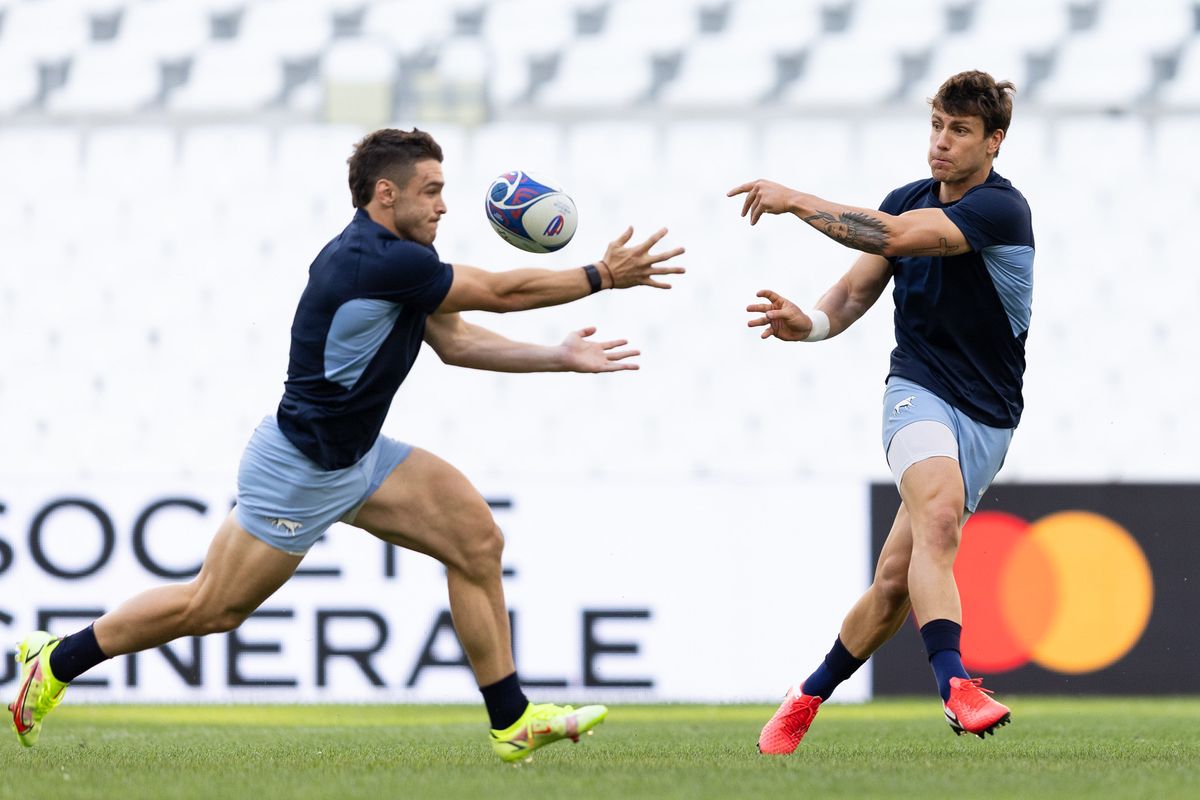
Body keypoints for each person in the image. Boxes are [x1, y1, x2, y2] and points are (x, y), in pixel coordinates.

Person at [9, 128, 685, 763]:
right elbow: (501, 293)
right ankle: (58, 661)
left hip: (360, 457)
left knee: (477, 541)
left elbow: (454, 343)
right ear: (385, 194)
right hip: (300, 470)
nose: (444, 205)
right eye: (431, 190)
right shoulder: (375, 261)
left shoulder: (404, 262)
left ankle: (512, 721)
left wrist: (556, 358)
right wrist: (600, 274)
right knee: (212, 608)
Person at [729, 70, 1032, 753]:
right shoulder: (906, 200)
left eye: (960, 131)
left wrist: (795, 200)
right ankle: (957, 686)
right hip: (917, 389)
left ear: (994, 142)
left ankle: (805, 696)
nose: (942, 142)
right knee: (940, 517)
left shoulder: (1001, 211)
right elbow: (852, 294)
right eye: (937, 126)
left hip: (989, 415)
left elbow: (892, 238)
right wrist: (808, 323)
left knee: (895, 583)